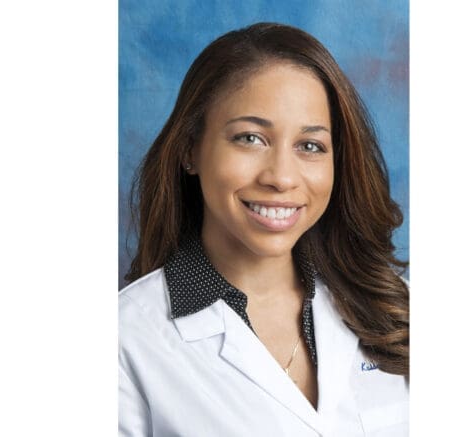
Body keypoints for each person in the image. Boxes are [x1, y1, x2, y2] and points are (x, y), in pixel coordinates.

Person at [119, 22, 409, 436]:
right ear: (190, 149)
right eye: (250, 138)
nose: (281, 177)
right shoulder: (126, 340)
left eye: (310, 146)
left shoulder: (397, 310)